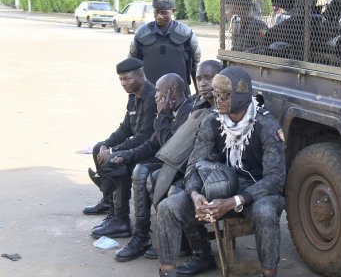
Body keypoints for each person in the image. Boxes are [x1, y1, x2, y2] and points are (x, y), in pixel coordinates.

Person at [156, 66, 286, 277]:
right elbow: (194, 165)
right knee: (168, 207)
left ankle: (268, 273)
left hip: (257, 193)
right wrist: (195, 195)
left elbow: (275, 179)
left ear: (241, 95)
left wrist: (233, 201)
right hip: (220, 187)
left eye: (226, 95)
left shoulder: (266, 124)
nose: (219, 100)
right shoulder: (212, 121)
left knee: (265, 211)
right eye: (217, 95)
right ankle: (167, 272)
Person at [114, 60, 222, 262]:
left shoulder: (190, 109)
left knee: (166, 185)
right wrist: (121, 153)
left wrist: (162, 113)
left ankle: (183, 243)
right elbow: (154, 143)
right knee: (141, 171)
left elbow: (169, 147)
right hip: (183, 165)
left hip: (200, 169)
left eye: (208, 78)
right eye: (199, 78)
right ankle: (140, 233)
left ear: (171, 92)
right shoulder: (198, 105)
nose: (203, 83)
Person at [83, 58, 157, 236]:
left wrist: (115, 151)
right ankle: (109, 202)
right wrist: (107, 144)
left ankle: (121, 220)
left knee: (117, 162)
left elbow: (144, 137)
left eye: (127, 78)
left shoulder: (151, 97)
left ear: (140, 75)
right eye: (121, 79)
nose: (123, 83)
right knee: (98, 148)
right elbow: (125, 128)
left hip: (151, 151)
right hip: (139, 146)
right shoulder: (134, 97)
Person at [129, 0, 201, 95]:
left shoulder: (186, 34)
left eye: (164, 12)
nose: (159, 16)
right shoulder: (141, 34)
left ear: (173, 11)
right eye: (156, 12)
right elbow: (132, 66)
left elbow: (196, 66)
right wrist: (133, 95)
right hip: (149, 95)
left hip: (180, 95)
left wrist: (199, 94)